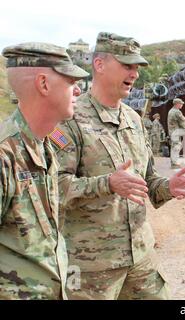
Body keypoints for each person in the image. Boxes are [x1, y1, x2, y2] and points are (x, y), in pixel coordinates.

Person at [52, 32, 185, 300]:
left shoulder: (134, 120)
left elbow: (147, 181)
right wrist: (107, 183)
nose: (134, 73)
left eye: (137, 67)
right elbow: (54, 187)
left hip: (140, 258)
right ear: (99, 65)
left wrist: (169, 187)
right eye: (127, 65)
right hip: (92, 267)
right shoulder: (70, 119)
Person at [0, 42, 88, 299]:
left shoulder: (45, 144)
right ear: (44, 84)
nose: (78, 90)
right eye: (71, 81)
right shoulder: (5, 154)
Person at [167, 98, 185, 169]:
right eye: (181, 103)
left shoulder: (170, 111)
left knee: (174, 146)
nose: (182, 105)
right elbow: (182, 121)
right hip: (175, 131)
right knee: (176, 147)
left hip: (172, 131)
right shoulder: (177, 112)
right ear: (177, 104)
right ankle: (174, 163)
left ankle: (173, 163)